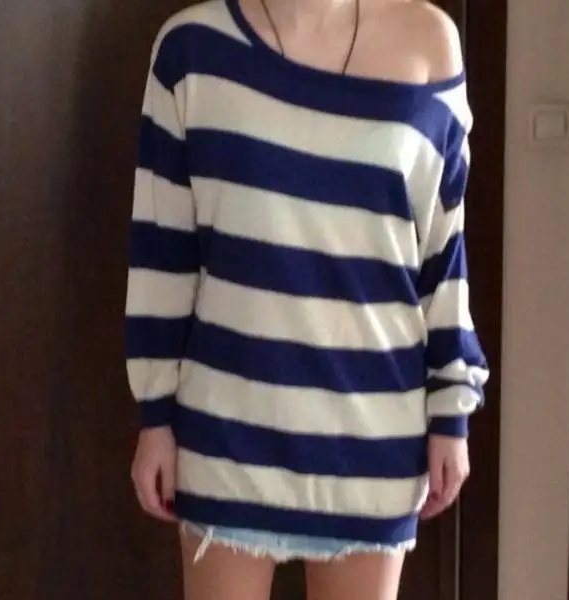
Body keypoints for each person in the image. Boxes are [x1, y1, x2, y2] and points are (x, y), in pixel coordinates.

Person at [124, 0, 489, 598]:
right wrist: (155, 417)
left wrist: (452, 410)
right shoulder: (190, 48)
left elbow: (443, 252)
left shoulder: (429, 43)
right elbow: (163, 252)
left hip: (373, 438)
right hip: (228, 434)